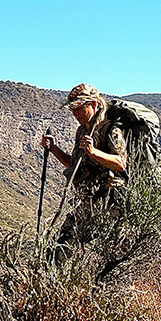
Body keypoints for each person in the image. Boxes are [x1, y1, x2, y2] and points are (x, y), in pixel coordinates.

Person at [41, 83, 128, 245]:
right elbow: (74, 165)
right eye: (73, 109)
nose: (75, 113)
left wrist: (94, 152)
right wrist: (54, 149)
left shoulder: (110, 130)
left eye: (80, 108)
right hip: (86, 201)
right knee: (60, 246)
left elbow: (121, 163)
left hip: (109, 203)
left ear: (94, 105)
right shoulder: (82, 130)